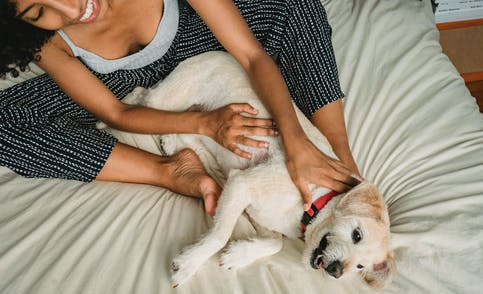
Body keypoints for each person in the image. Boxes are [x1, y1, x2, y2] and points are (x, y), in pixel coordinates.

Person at [0, 0, 361, 216]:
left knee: (292, 3)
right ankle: (167, 170)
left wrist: (297, 141)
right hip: (121, 86)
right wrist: (204, 124)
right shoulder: (46, 41)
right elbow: (117, 114)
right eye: (38, 11)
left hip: (197, 37)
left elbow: (251, 57)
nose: (72, 8)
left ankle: (335, 154)